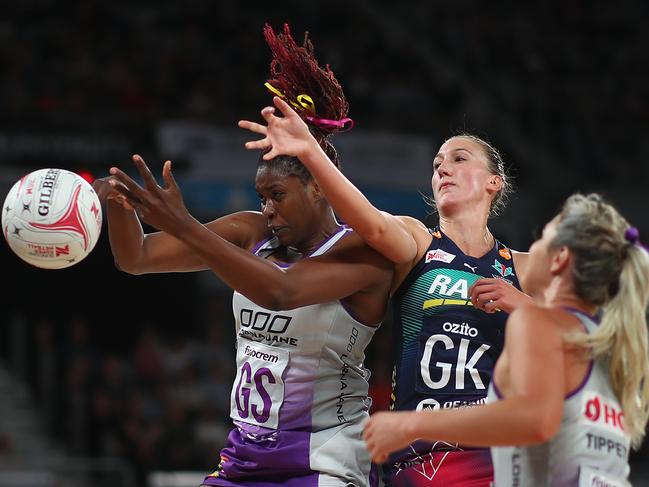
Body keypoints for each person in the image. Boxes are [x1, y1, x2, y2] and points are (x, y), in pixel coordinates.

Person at [94, 23, 392, 487]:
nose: (268, 209)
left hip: (325, 462)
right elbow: (136, 258)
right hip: (243, 460)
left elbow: (280, 290)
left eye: (278, 195)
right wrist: (116, 204)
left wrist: (184, 224)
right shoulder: (247, 231)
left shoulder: (363, 254)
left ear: (317, 186)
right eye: (262, 197)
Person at [240, 97, 533, 486]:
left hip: (493, 449)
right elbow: (374, 227)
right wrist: (310, 152)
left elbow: (591, 341)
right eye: (437, 164)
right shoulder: (417, 240)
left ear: (494, 182)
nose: (444, 167)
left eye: (459, 159)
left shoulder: (525, 266)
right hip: (419, 453)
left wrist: (526, 306)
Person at [363, 193, 649, 486]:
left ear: (560, 258)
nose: (531, 249)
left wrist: (410, 423)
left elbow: (535, 420)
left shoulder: (537, 323)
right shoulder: (606, 344)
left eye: (541, 240)